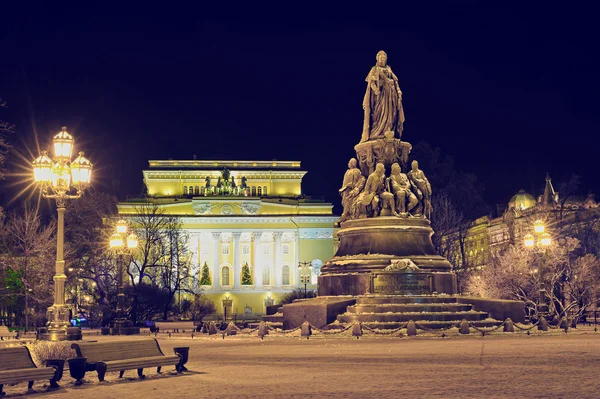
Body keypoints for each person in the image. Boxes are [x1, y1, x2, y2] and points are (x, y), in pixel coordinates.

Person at [361, 50, 405, 143]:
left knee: (391, 114)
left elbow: (395, 80)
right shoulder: (374, 69)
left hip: (390, 95)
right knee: (379, 113)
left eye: (384, 58)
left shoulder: (389, 69)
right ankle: (377, 132)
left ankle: (389, 130)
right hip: (380, 96)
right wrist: (375, 90)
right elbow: (371, 82)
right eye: (381, 58)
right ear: (377, 59)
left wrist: (399, 91)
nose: (383, 59)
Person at [339, 158, 365, 222]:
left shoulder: (356, 171)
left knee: (348, 201)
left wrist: (355, 187)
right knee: (345, 201)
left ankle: (346, 214)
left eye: (350, 162)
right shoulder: (347, 171)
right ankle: (346, 215)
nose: (349, 164)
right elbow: (344, 182)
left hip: (351, 190)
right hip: (345, 190)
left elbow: (359, 181)